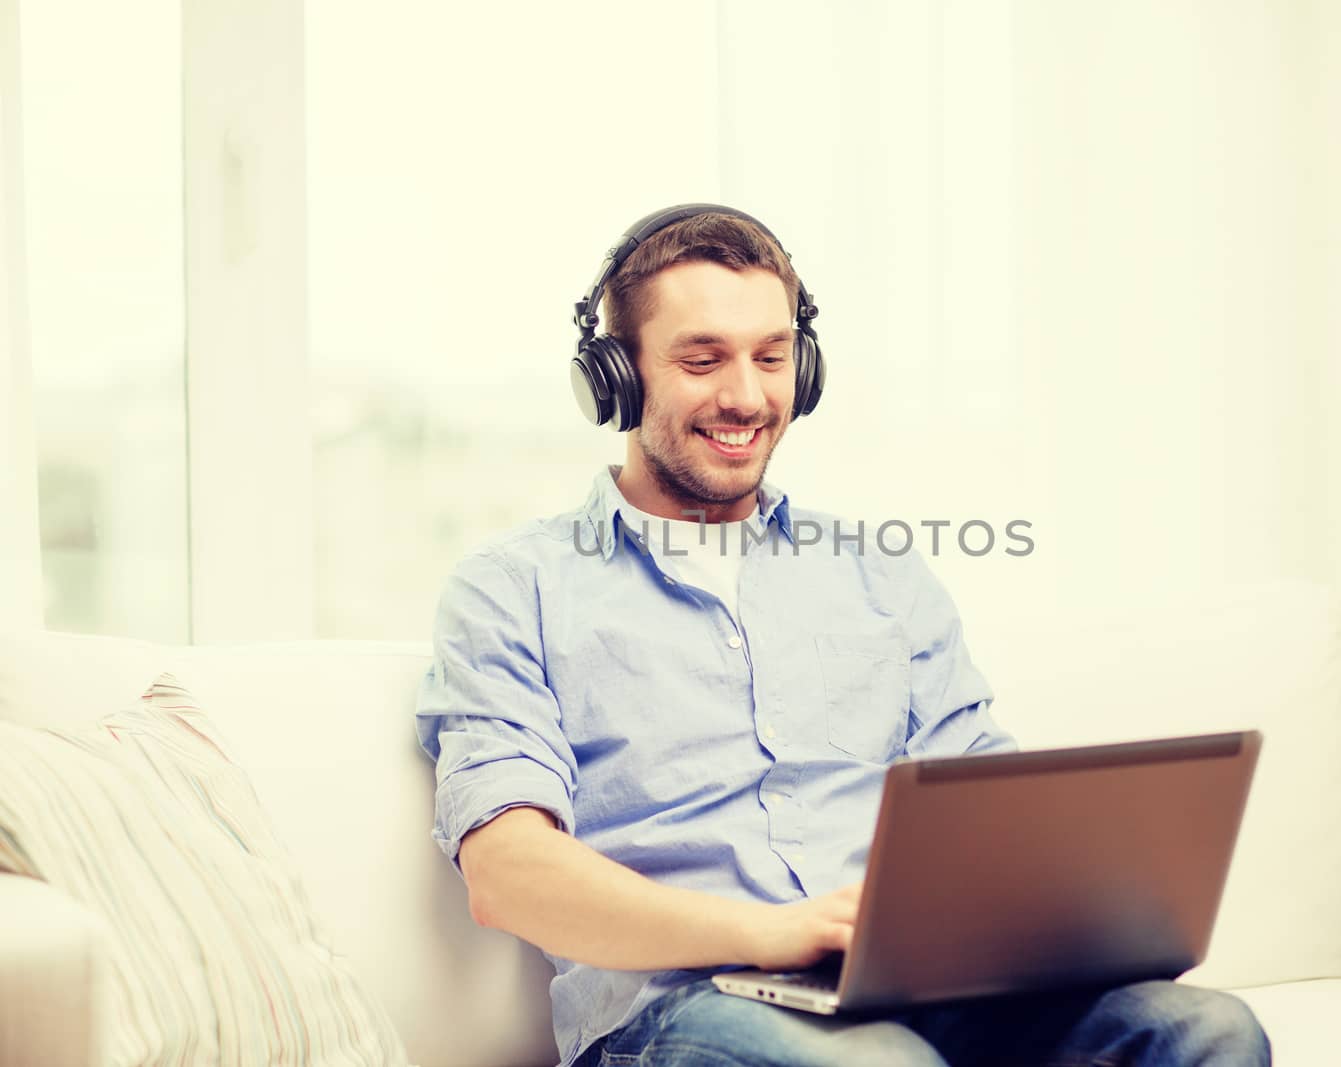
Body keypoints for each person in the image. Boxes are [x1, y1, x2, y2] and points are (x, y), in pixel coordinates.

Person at [415, 205, 1271, 1067]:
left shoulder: (882, 577)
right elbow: (508, 872)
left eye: (772, 356)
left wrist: (1071, 906)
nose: (746, 396)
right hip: (681, 1015)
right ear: (616, 378)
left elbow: (986, 807)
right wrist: (775, 932)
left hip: (920, 998)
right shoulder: (513, 586)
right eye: (702, 359)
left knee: (1207, 1031)